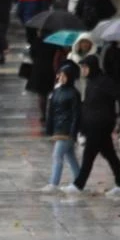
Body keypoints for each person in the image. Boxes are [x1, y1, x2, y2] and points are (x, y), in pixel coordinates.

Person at [63, 55, 120, 196]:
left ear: (92, 67)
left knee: (89, 154)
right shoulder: (91, 82)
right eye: (82, 67)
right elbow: (88, 104)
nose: (83, 70)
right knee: (109, 154)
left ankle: (78, 185)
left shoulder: (104, 81)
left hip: (101, 124)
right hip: (93, 124)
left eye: (85, 67)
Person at [42, 63, 82, 192]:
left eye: (65, 76)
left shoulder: (74, 93)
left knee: (57, 155)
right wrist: (49, 128)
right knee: (70, 157)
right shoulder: (56, 91)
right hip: (58, 129)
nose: (61, 77)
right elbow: (51, 110)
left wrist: (74, 131)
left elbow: (76, 114)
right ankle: (79, 180)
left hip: (67, 129)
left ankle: (54, 183)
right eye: (61, 75)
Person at [67, 31, 98, 99]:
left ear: (91, 44)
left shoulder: (94, 58)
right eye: (83, 42)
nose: (85, 44)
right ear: (79, 43)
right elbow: (66, 71)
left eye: (87, 42)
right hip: (74, 87)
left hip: (90, 89)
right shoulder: (71, 56)